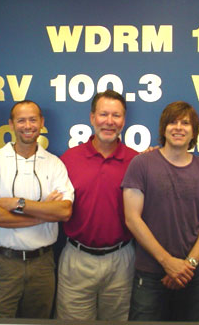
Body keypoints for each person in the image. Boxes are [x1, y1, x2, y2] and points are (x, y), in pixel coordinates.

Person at [0, 100, 73, 318]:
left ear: (42, 122)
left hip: (43, 264)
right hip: (3, 264)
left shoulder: (54, 163)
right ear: (11, 124)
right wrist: (44, 213)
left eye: (32, 119)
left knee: (39, 321)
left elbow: (64, 211)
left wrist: (18, 204)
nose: (27, 125)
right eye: (21, 120)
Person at [122, 101, 199, 321]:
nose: (178, 127)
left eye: (185, 123)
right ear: (163, 128)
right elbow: (132, 218)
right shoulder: (141, 164)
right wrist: (167, 262)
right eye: (172, 122)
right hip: (151, 273)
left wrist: (187, 265)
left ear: (194, 132)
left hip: (192, 274)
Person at [56, 90, 137, 321]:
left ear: (124, 120)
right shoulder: (69, 159)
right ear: (92, 118)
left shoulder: (136, 161)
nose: (109, 121)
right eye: (103, 114)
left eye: (116, 115)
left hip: (121, 259)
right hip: (77, 259)